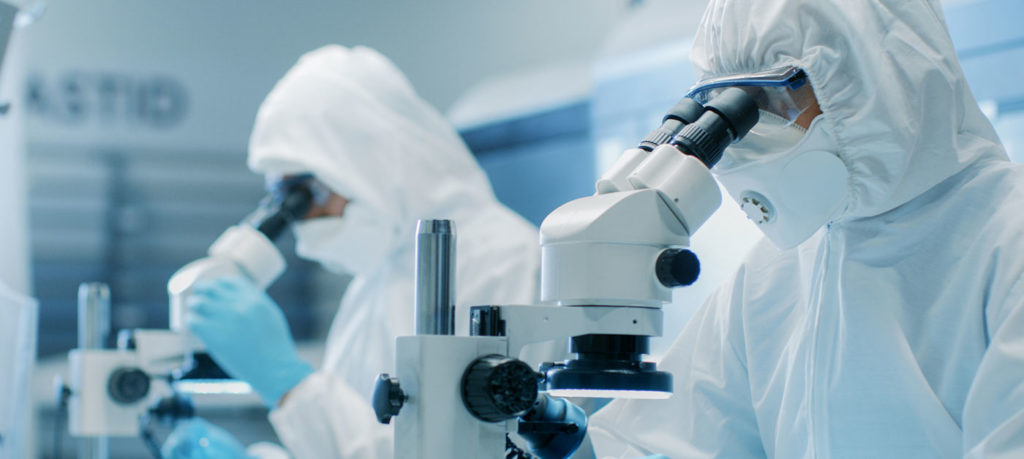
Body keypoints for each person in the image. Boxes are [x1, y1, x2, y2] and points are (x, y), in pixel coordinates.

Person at [589, 0, 1024, 457]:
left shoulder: (1006, 238)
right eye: (732, 106)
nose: (745, 138)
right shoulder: (773, 272)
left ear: (874, 74)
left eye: (772, 99)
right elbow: (657, 441)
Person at [161, 45, 545, 458]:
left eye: (308, 195)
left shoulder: (504, 262)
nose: (305, 221)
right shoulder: (377, 279)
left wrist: (291, 385)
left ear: (370, 163)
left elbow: (455, 453)